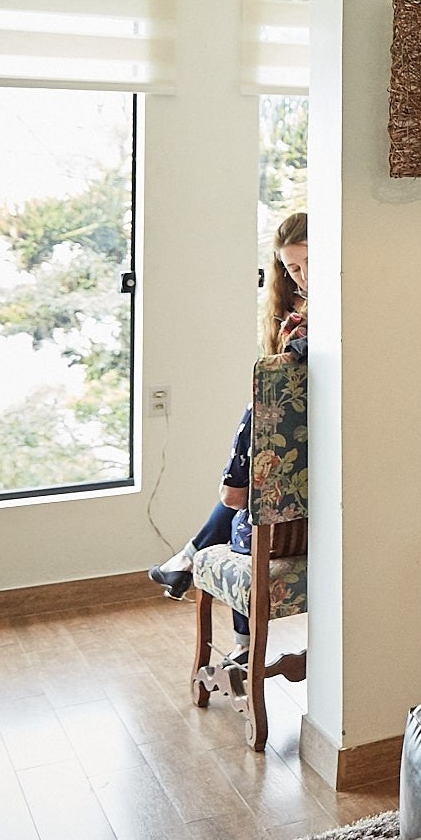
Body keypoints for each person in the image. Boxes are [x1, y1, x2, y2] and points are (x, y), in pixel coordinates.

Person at [146, 212, 308, 614]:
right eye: (294, 269)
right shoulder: (297, 319)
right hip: (284, 452)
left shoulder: (319, 324)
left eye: (310, 263)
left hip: (303, 450)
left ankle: (188, 559)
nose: (303, 276)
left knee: (247, 512)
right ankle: (238, 643)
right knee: (249, 511)